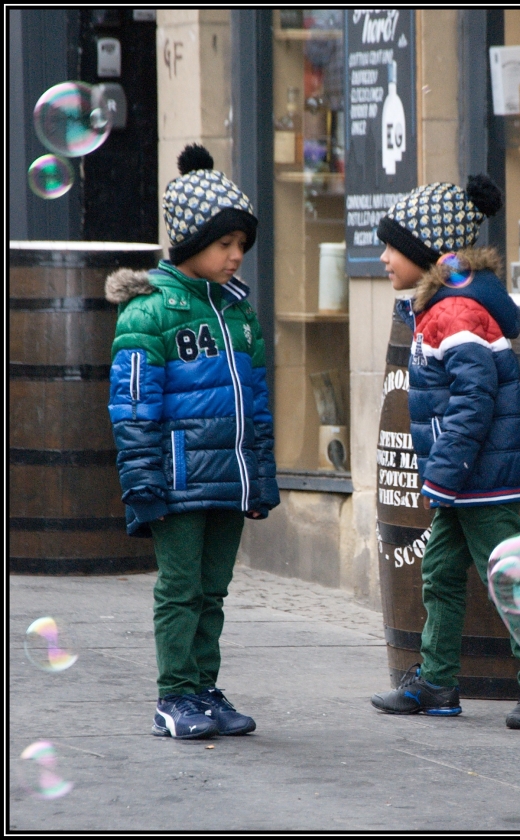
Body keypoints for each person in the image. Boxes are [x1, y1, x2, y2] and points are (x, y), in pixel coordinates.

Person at [369, 176, 520, 729]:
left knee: (507, 574)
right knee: (440, 571)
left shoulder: (454, 313)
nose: (384, 257)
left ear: (427, 253)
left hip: (481, 475)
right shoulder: (440, 306)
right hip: (464, 477)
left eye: (393, 246)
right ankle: (437, 682)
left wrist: (447, 471)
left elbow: (474, 399)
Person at [106, 144, 279, 739]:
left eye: (242, 246)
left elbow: (255, 402)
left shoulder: (239, 313)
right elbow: (132, 407)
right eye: (225, 244)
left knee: (214, 589)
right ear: (189, 242)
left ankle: (205, 688)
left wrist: (262, 476)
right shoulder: (148, 311)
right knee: (180, 589)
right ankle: (173, 695)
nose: (236, 256)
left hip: (229, 477)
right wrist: (142, 482)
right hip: (177, 478)